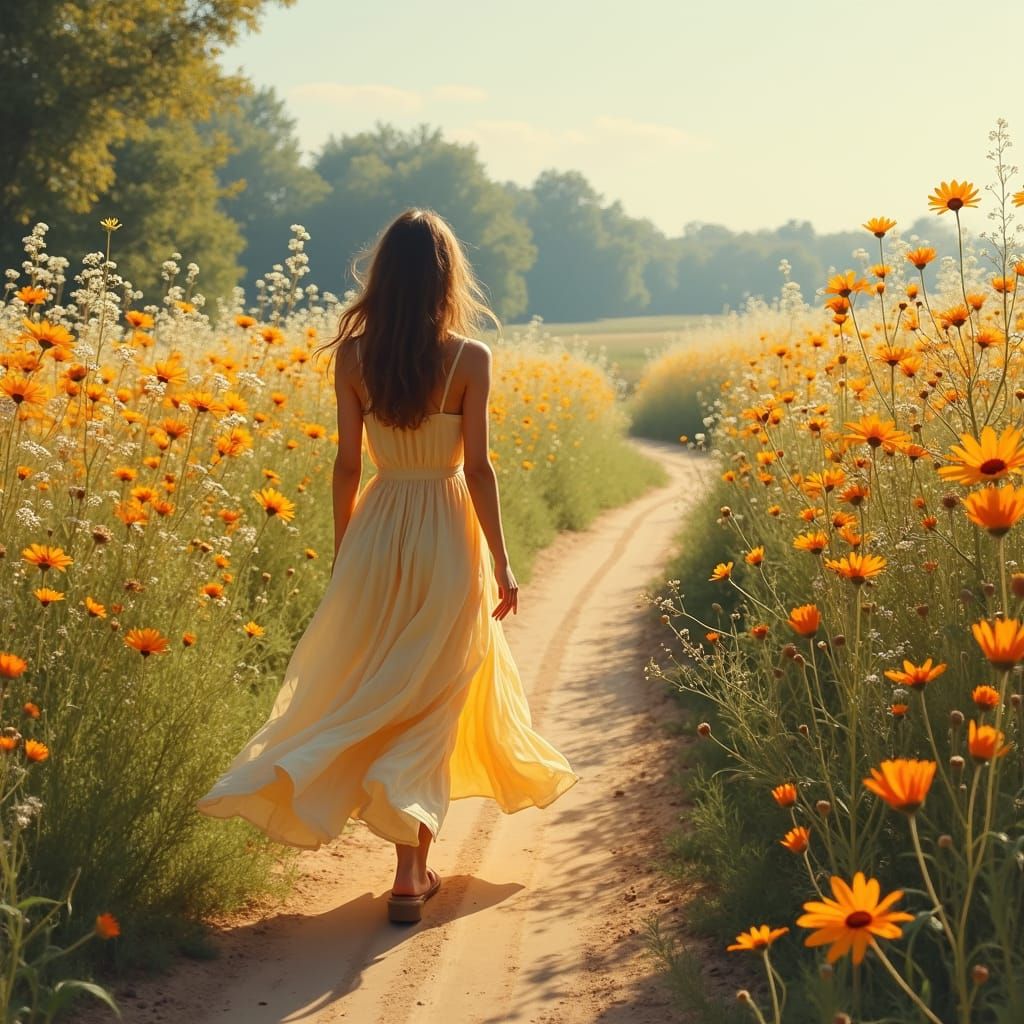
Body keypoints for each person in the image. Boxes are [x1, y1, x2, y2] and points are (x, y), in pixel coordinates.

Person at [196, 208, 579, 924]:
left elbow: (345, 466)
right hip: (445, 530)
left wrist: (349, 556)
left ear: (382, 279)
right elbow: (480, 468)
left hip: (378, 530)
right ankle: (410, 872)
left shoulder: (353, 357)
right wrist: (503, 564)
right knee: (433, 691)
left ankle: (383, 826)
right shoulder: (470, 359)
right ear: (446, 279)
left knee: (380, 681)